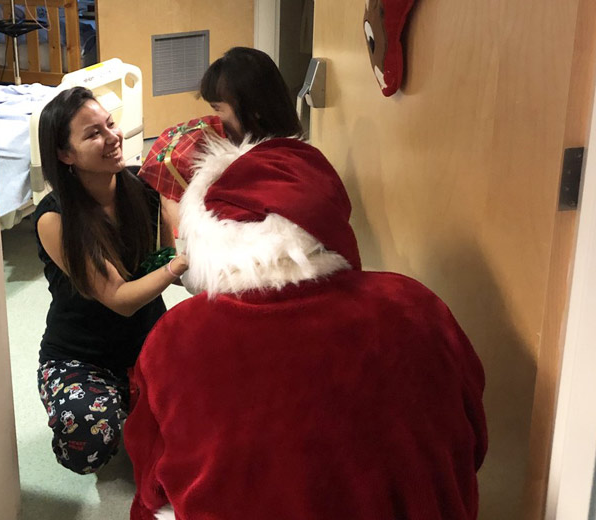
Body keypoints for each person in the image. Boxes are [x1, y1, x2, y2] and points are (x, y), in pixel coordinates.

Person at [125, 136, 487, 519]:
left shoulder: (178, 338)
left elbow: (151, 484)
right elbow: (473, 443)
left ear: (208, 234)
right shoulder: (417, 307)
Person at [33, 86, 187, 475]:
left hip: (148, 344)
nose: (112, 137)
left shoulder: (145, 190)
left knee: (210, 413)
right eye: (93, 134)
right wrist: (181, 264)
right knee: (86, 445)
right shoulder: (55, 219)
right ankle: (116, 405)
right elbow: (120, 297)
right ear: (65, 155)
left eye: (110, 124)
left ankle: (135, 403)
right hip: (81, 357)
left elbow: (169, 262)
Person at [139, 46, 303, 231]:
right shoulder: (194, 147)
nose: (216, 118)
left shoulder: (282, 166)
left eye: (218, 108)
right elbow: (171, 212)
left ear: (253, 109)